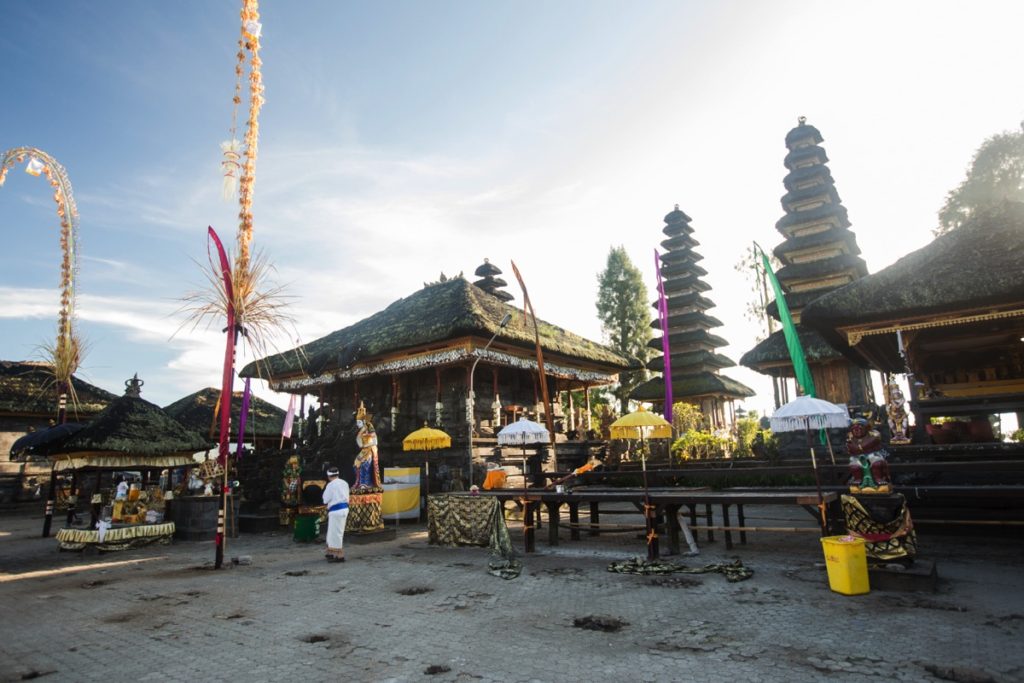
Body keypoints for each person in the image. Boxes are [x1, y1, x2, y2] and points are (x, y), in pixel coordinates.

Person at [321, 467, 350, 563]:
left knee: (336, 533)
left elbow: (325, 499)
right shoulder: (344, 483)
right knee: (333, 532)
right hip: (344, 509)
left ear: (329, 476)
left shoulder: (330, 485)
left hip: (336, 511)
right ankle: (330, 552)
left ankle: (339, 555)